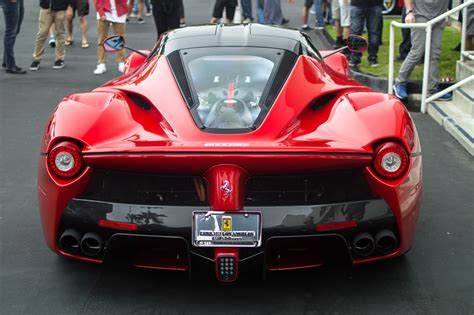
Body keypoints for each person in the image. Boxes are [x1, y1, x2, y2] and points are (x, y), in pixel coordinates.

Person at [393, 0, 452, 100]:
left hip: (439, 18)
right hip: (420, 15)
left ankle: (432, 89)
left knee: (434, 54)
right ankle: (400, 82)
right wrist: (410, 12)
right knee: (417, 52)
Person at [30, 0, 73, 71]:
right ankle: (36, 59)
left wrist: (70, 6)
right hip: (46, 7)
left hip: (61, 7)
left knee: (60, 33)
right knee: (42, 33)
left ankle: (59, 58)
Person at [93, 0, 128, 74]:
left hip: (120, 10)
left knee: (120, 38)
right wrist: (101, 12)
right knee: (102, 39)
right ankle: (101, 63)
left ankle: (121, 62)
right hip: (104, 10)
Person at [349, 0, 383, 67]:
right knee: (356, 32)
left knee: (374, 32)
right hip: (357, 4)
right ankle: (355, 57)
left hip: (375, 4)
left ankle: (372, 57)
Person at [2, 0, 26, 74]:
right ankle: (10, 65)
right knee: (11, 32)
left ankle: (7, 61)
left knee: (15, 30)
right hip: (10, 2)